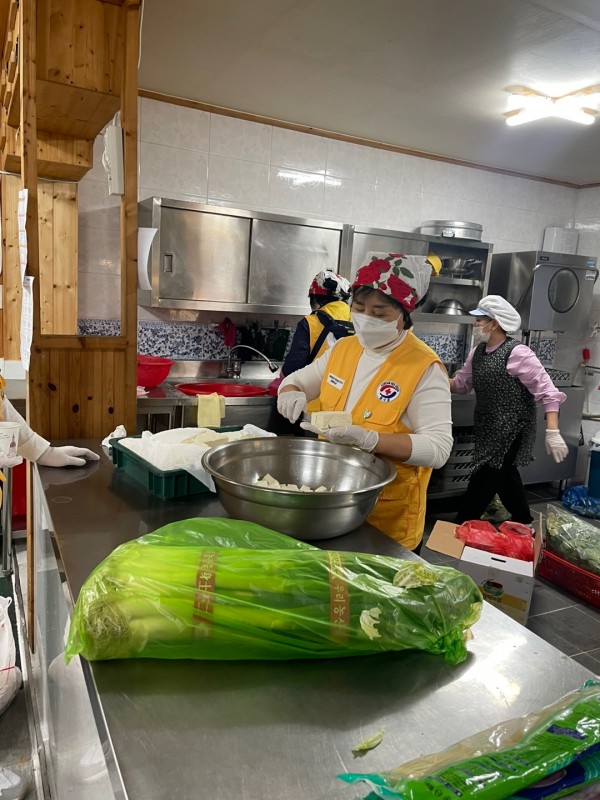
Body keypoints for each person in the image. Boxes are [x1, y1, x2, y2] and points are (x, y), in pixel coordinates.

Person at [277, 252, 453, 552]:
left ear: (404, 314)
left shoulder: (424, 367)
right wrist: (290, 392)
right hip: (332, 507)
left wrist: (370, 440)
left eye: (380, 313)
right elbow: (297, 380)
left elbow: (438, 449)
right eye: (359, 308)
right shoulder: (344, 348)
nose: (367, 318)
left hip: (385, 523)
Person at [449, 294, 569, 526]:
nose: (475, 325)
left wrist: (553, 431)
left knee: (485, 477)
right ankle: (524, 522)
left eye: (479, 320)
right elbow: (461, 385)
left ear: (494, 324)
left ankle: (462, 525)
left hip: (512, 429)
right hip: (487, 427)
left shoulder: (519, 353)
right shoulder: (478, 352)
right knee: (505, 476)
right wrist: (434, 376)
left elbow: (548, 392)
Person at [268, 268, 353, 435]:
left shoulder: (310, 322)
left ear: (315, 299)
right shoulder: (357, 323)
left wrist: (285, 386)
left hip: (312, 409)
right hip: (347, 409)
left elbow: (294, 366)